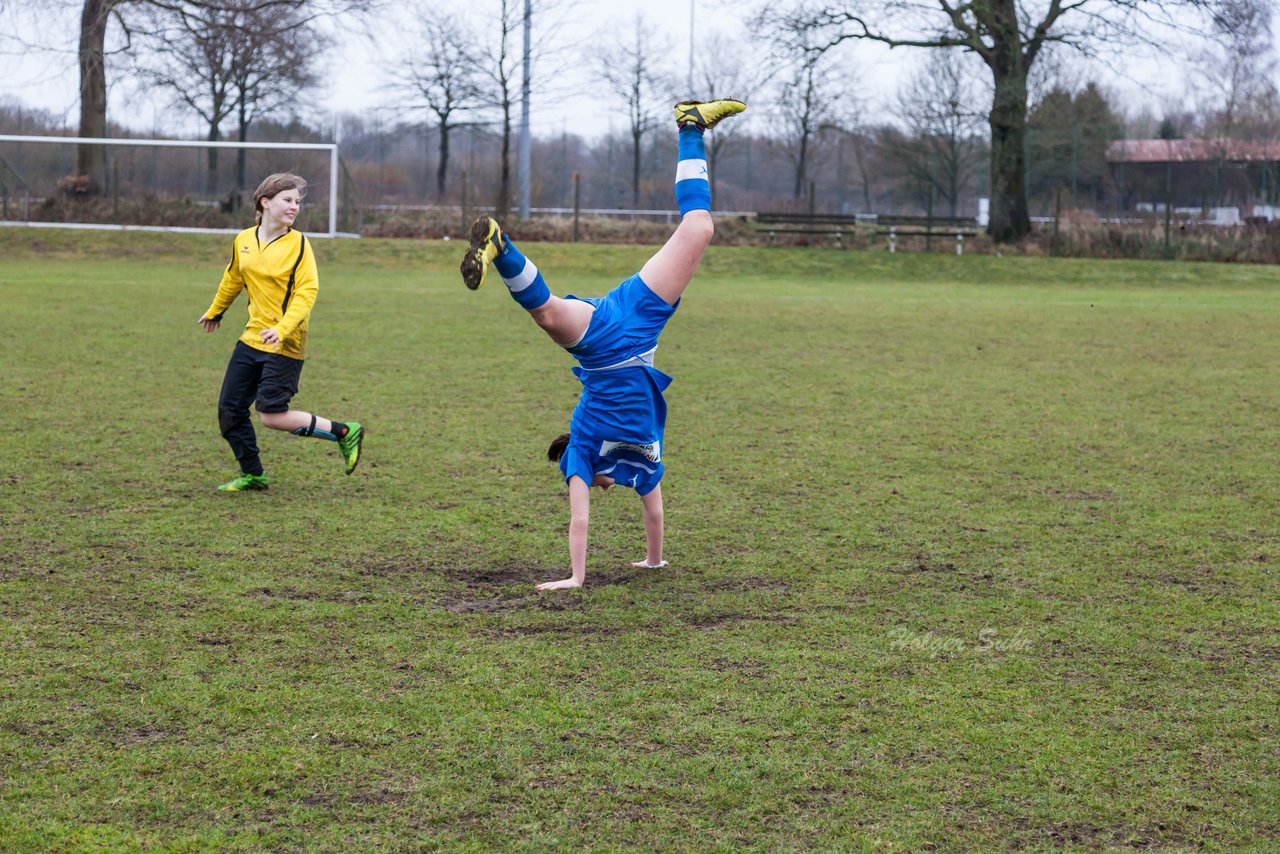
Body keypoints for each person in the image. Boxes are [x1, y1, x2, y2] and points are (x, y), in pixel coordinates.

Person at [460, 98, 746, 590]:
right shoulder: (643, 455)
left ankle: (502, 247)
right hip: (636, 316)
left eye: (596, 485)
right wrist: (653, 563)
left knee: (547, 312)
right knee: (699, 227)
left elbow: (581, 521)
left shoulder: (583, 450)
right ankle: (690, 125)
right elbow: (654, 512)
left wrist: (575, 578)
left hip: (601, 344)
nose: (602, 488)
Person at [198, 172, 364, 491]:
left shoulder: (299, 244)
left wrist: (283, 328)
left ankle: (344, 432)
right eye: (287, 200)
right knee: (229, 410)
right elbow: (233, 278)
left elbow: (307, 292)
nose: (294, 207)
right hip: (252, 338)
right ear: (265, 202)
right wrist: (216, 310)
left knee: (271, 415)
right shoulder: (243, 239)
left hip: (285, 341)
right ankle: (254, 474)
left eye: (297, 202)